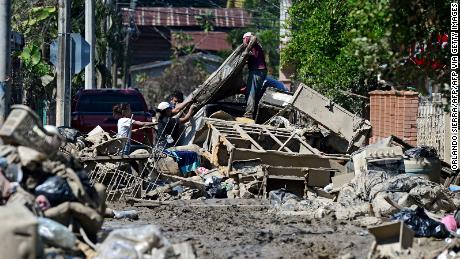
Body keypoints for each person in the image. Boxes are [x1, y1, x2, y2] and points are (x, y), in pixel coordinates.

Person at [242, 32, 267, 119]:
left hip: (257, 71)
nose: (243, 43)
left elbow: (254, 37)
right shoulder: (255, 48)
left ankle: (249, 114)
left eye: (244, 40)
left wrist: (246, 50)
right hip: (259, 71)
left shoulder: (250, 39)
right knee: (253, 93)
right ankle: (254, 113)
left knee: (251, 92)